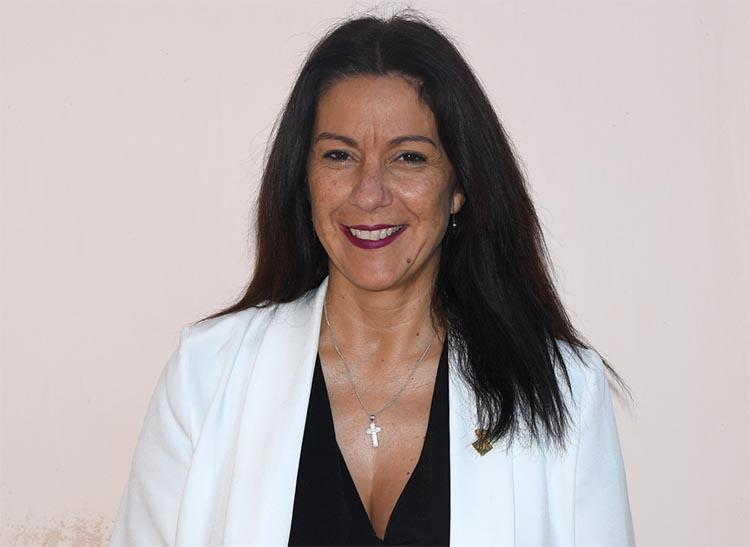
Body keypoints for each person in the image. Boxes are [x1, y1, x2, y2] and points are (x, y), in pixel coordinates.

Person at [110, 10, 635, 547]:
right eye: (339, 156)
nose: (369, 193)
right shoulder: (205, 376)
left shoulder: (565, 392)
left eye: (409, 157)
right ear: (305, 180)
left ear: (458, 187)